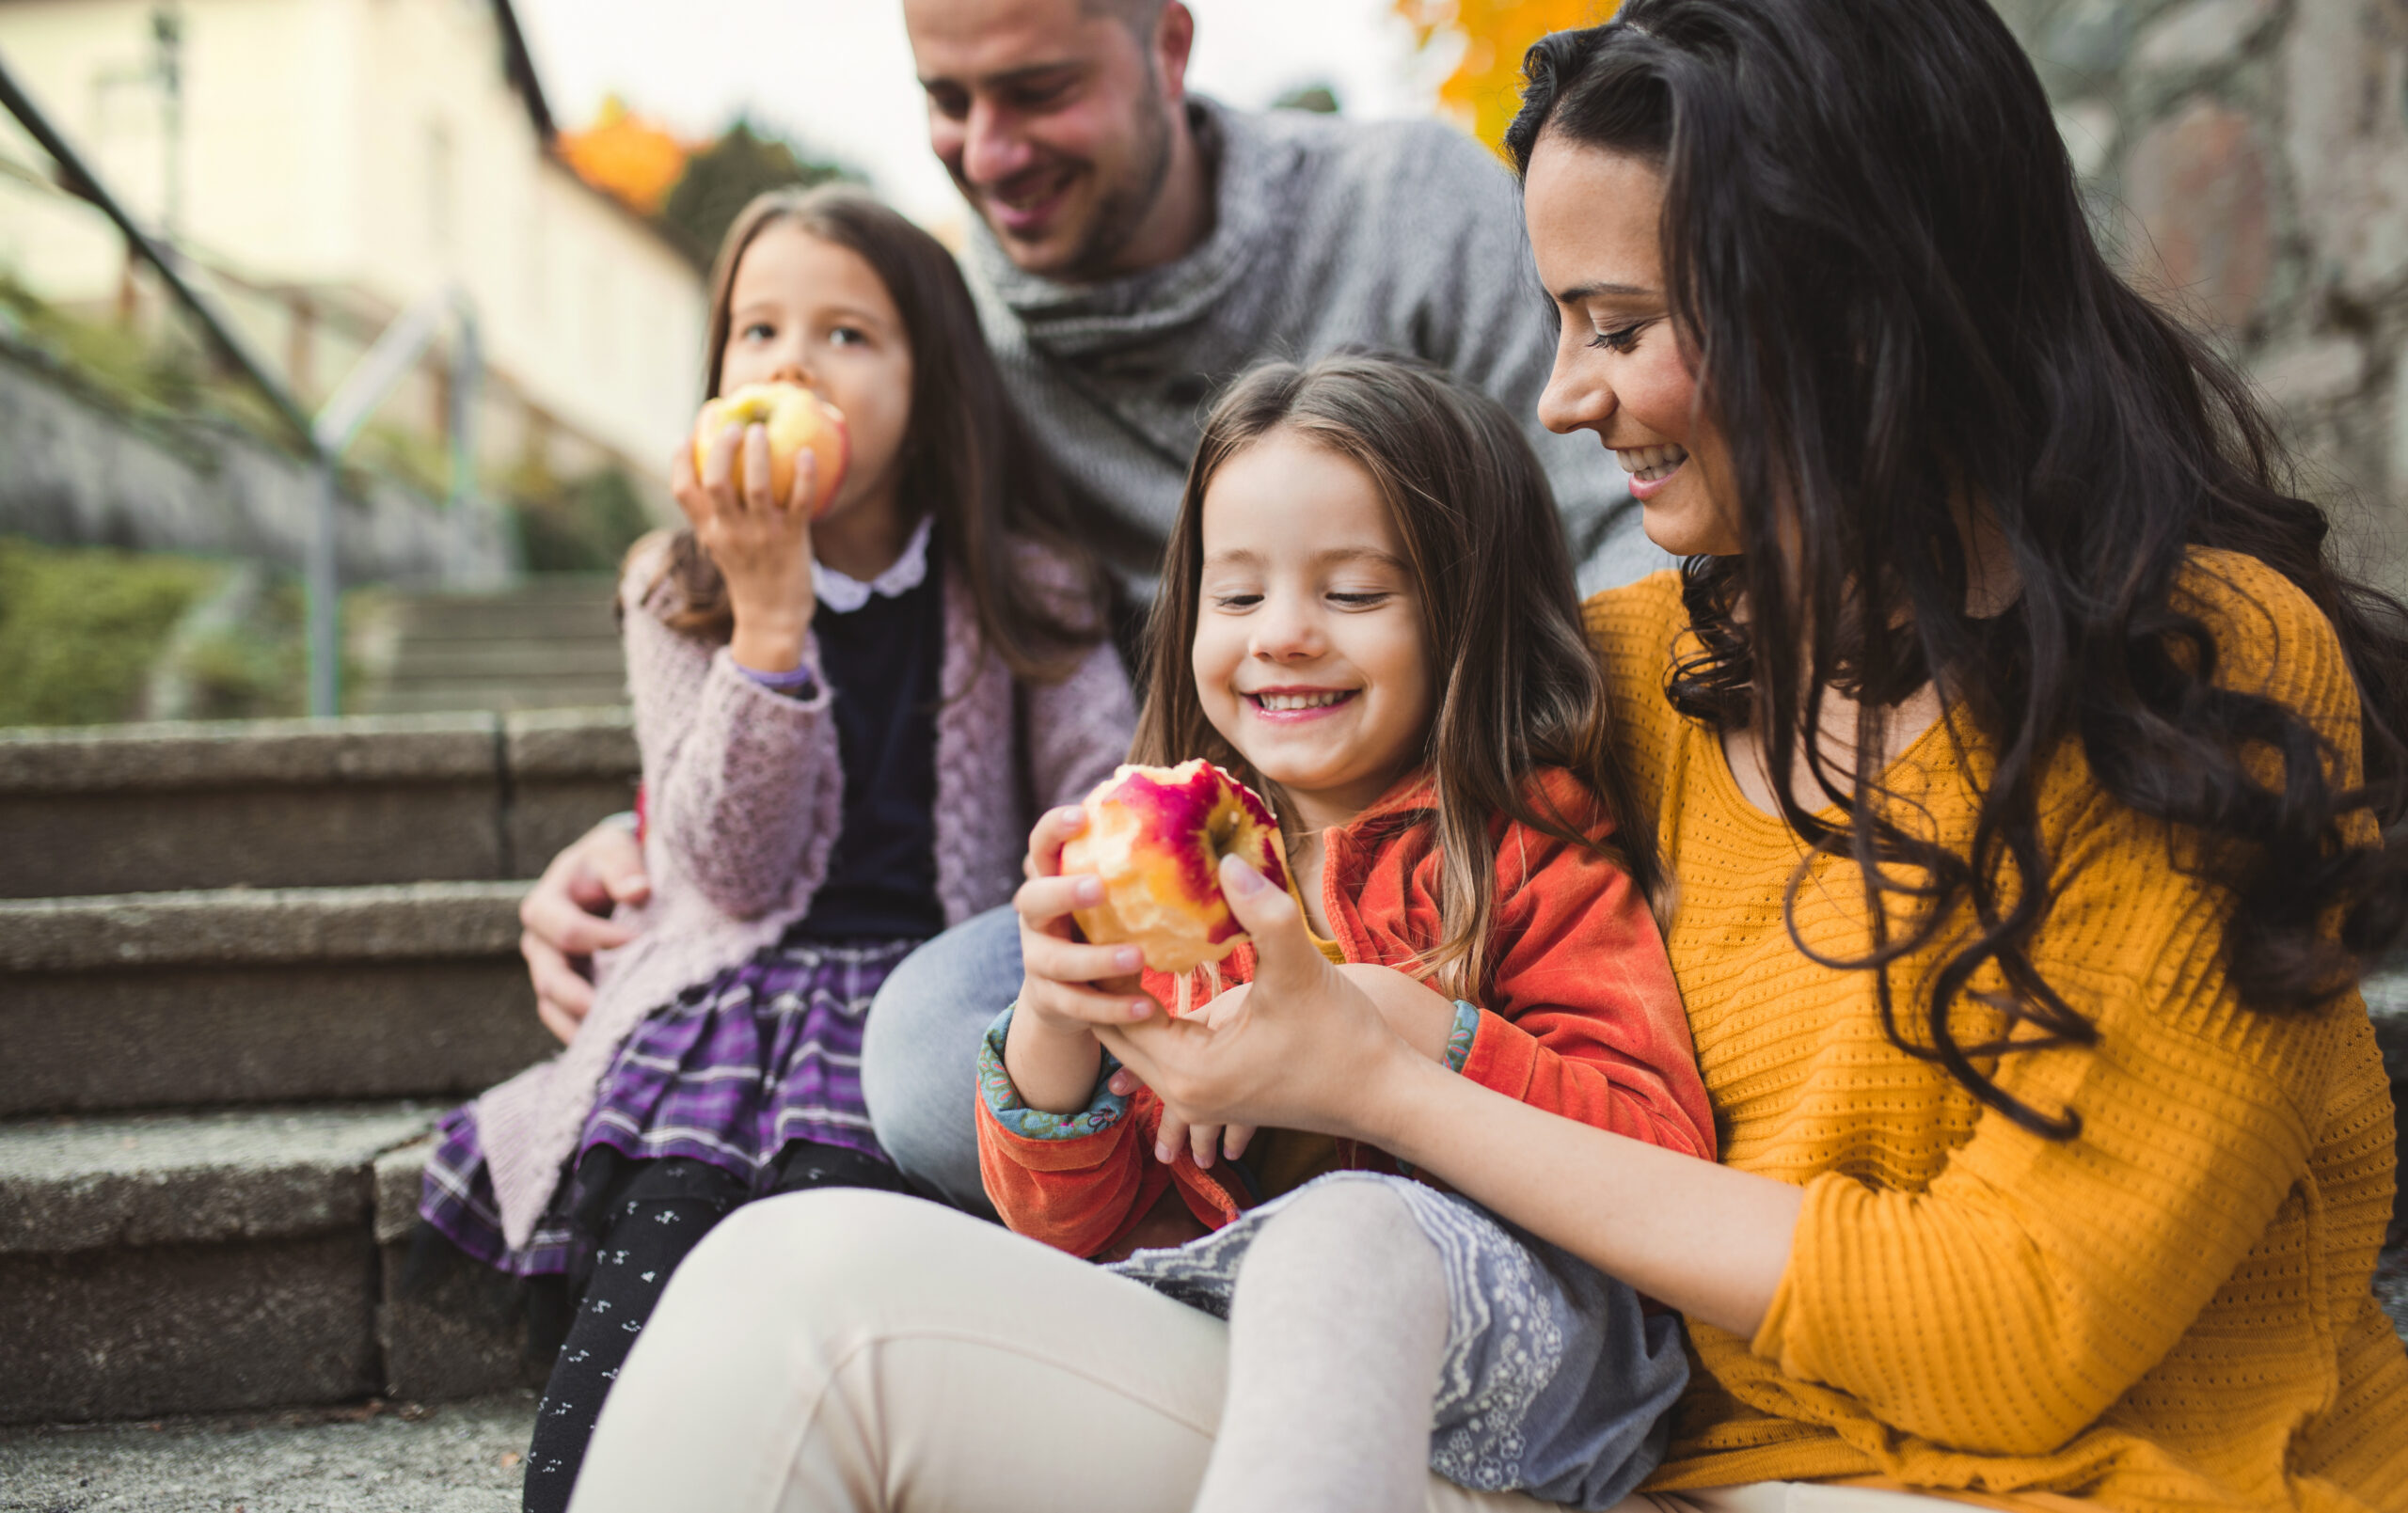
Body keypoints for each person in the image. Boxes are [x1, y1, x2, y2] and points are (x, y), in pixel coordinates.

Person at [564, 1, 2408, 1509]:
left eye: (1617, 327)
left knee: (1346, 1239)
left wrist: (1389, 1067)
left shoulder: (2194, 677)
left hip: (2036, 1484)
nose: (1559, 396)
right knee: (788, 1288)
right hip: (1610, 1449)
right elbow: (1305, 718)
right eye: (1558, 325)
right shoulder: (1642, 661)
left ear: (1845, 314)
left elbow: (2015, 1336)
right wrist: (649, 851)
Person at [513, 0, 1672, 1215]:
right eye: (949, 101)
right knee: (920, 1055)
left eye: (1038, 89)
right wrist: (648, 838)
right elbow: (880, 634)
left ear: (1169, 48)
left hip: (1467, 842)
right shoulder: (964, 362)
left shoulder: (1409, 208)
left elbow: (1619, 525)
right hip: (1214, 862)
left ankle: (1353, 1164)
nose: (991, 149)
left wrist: (1565, 802)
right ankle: (1226, 1211)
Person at [411, 183, 1133, 1512]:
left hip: (923, 1006)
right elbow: (729, 868)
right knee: (658, 1265)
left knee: (835, 1227)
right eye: (757, 332)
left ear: (935, 385)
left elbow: (1102, 808)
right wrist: (767, 615)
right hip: (729, 1007)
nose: (791, 363)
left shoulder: (1030, 585)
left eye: (847, 335)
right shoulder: (677, 587)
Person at [982, 353, 1714, 1509]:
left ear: (1466, 610)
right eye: (1237, 596)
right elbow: (1061, 1219)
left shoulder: (1524, 849)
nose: (1280, 635)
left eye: (1354, 594)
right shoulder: (1175, 876)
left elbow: (1660, 1154)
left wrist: (1406, 1025)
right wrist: (1055, 1019)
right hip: (1252, 1336)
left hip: (1524, 1362)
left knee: (1346, 1232)